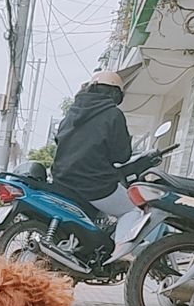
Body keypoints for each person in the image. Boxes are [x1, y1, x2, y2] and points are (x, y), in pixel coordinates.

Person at [51, 71, 137, 218]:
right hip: (94, 185)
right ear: (116, 94)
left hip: (61, 181)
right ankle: (122, 242)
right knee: (135, 212)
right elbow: (122, 156)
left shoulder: (71, 113)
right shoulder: (113, 115)